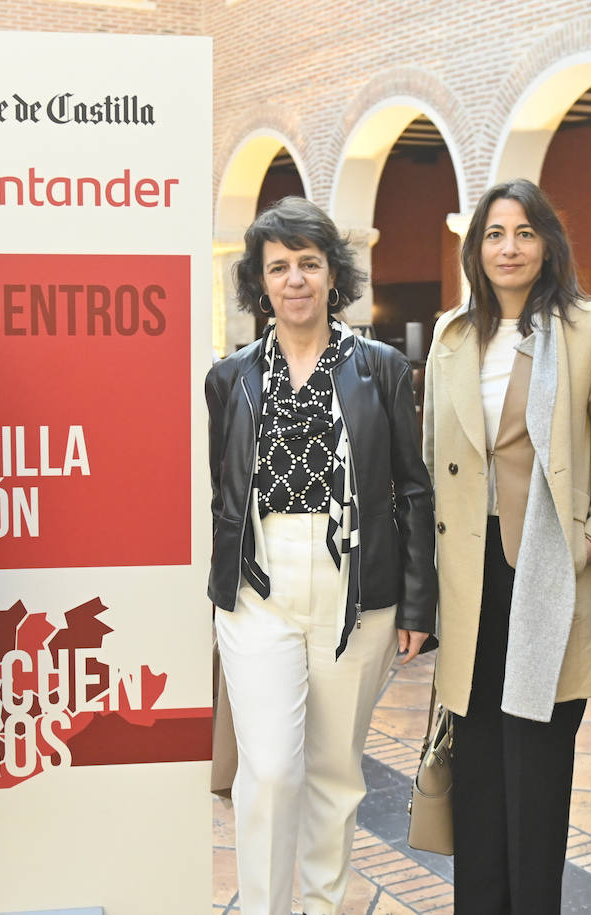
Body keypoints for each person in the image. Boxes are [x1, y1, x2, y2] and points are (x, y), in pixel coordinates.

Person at [205, 196, 436, 915]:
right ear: (260, 281)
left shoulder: (383, 369)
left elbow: (413, 487)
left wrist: (418, 600)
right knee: (270, 769)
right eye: (279, 266)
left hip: (355, 587)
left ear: (334, 274)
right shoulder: (230, 376)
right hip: (259, 586)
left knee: (335, 773)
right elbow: (226, 488)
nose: (295, 278)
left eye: (309, 262)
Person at [422, 178, 591, 913]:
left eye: (522, 232)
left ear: (547, 242)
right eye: (493, 233)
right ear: (475, 248)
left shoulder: (589, 329)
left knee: (537, 775)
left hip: (547, 576)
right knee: (479, 771)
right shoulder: (454, 336)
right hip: (470, 580)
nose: (508, 247)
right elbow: (432, 463)